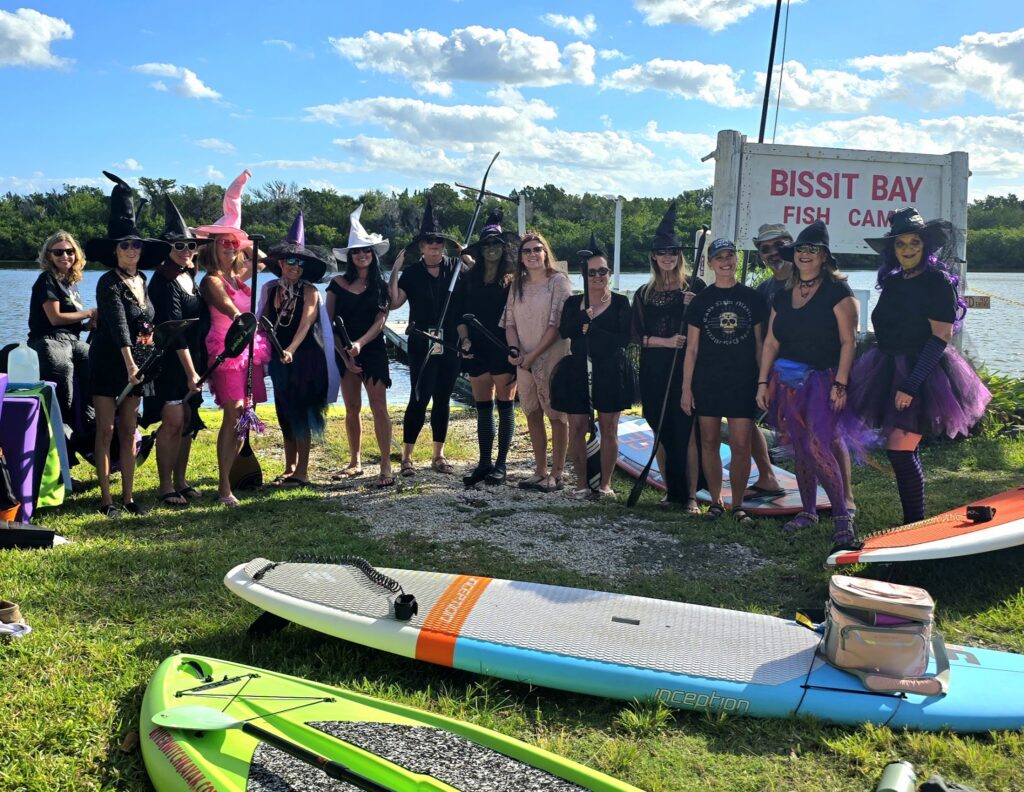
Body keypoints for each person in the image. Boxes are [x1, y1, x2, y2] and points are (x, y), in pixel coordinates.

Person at [849, 208, 991, 525]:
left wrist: (911, 384)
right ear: (893, 249)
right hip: (886, 367)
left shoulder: (936, 281)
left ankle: (914, 524)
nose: (908, 249)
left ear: (926, 245)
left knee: (900, 450)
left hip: (923, 373)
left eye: (915, 242)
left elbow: (941, 336)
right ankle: (914, 523)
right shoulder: (894, 280)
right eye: (901, 244)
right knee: (902, 449)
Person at [756, 220, 867, 546]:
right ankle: (808, 511)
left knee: (817, 446)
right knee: (799, 446)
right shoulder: (782, 294)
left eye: (812, 250)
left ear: (823, 257)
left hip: (824, 380)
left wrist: (841, 384)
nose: (805, 254)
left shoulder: (837, 291)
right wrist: (762, 382)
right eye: (801, 249)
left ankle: (843, 516)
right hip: (788, 381)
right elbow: (771, 342)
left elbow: (849, 341)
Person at [84, 172, 169, 518]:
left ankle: (129, 497)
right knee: (106, 430)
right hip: (110, 362)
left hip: (139, 363)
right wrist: (130, 363)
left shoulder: (143, 279)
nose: (132, 250)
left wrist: (145, 359)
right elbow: (119, 325)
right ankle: (106, 500)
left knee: (129, 430)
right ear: (115, 250)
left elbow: (146, 322)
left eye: (136, 245)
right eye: (125, 245)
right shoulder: (108, 282)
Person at [194, 169, 271, 508]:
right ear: (212, 248)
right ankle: (224, 486)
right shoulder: (212, 279)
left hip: (249, 350)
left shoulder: (238, 275)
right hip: (226, 350)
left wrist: (243, 241)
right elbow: (227, 306)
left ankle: (233, 475)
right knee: (233, 412)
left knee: (244, 414)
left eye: (232, 245)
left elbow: (262, 261)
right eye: (223, 244)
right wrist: (240, 316)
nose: (228, 249)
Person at [681, 239, 767, 524]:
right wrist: (686, 388)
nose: (726, 262)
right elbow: (691, 349)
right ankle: (716, 501)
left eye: (730, 256)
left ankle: (738, 504)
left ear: (736, 259)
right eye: (719, 257)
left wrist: (762, 382)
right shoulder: (700, 301)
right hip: (708, 381)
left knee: (741, 443)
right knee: (709, 441)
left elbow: (760, 345)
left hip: (743, 380)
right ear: (710, 263)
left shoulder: (753, 298)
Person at [631, 204, 705, 511]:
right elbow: (636, 336)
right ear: (653, 256)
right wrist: (666, 341)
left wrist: (696, 305)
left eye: (673, 252)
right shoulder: (644, 293)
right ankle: (670, 491)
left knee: (686, 431)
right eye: (662, 252)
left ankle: (691, 496)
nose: (668, 257)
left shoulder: (695, 287)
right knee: (659, 428)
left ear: (679, 255)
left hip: (685, 369)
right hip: (654, 369)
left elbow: (707, 326)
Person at [552, 234, 635, 499]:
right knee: (577, 427)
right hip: (578, 369)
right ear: (584, 275)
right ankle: (581, 483)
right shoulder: (573, 303)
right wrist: (582, 319)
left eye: (603, 271)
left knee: (609, 428)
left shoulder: (620, 302)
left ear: (609, 273)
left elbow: (625, 339)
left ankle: (605, 484)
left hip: (611, 369)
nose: (598, 276)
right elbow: (565, 331)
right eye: (592, 272)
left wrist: (595, 330)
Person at [389, 198, 467, 477]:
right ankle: (407, 457)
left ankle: (438, 454)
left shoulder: (456, 268)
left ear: (443, 246)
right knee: (419, 398)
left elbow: (475, 288)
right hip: (422, 341)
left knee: (443, 399)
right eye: (429, 242)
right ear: (421, 247)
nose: (434, 245)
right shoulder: (412, 273)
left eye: (439, 242)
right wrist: (395, 270)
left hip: (449, 342)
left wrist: (468, 257)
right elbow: (395, 302)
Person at [260, 211, 338, 487]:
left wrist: (291, 349)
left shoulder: (310, 292)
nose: (295, 266)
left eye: (300, 262)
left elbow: (306, 323)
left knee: (303, 412)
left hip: (307, 359)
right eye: (290, 261)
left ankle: (302, 471)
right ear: (281, 263)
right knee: (284, 410)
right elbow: (261, 321)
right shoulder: (270, 289)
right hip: (279, 358)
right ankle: (289, 466)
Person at [142, 196, 207, 506]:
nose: (186, 250)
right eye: (179, 245)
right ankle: (165, 486)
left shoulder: (188, 275)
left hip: (193, 359)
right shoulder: (164, 281)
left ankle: (181, 481)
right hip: (170, 362)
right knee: (172, 421)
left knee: (188, 422)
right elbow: (174, 331)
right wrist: (191, 372)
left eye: (190, 245)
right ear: (167, 248)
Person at [501, 231, 572, 493]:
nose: (532, 254)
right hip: (523, 359)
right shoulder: (516, 284)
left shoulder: (559, 282)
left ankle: (558, 473)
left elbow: (557, 325)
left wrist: (532, 355)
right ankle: (540, 470)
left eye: (537, 249)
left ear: (545, 253)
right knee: (532, 412)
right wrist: (515, 350)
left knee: (557, 415)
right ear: (520, 257)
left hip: (552, 356)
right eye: (527, 251)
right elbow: (509, 323)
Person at [329, 205, 394, 488]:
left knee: (379, 407)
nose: (361, 255)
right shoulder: (336, 283)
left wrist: (360, 343)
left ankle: (385, 464)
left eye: (366, 250)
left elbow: (381, 320)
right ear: (350, 256)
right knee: (352, 407)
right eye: (356, 251)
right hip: (343, 351)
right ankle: (354, 461)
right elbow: (328, 322)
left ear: (373, 254)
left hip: (373, 348)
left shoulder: (381, 286)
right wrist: (345, 356)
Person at [458, 209, 519, 486]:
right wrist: (464, 339)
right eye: (486, 245)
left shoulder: (513, 279)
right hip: (476, 347)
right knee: (483, 405)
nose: (491, 248)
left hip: (503, 346)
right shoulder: (469, 278)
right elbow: (460, 315)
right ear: (480, 250)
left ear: (503, 248)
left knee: (505, 404)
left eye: (496, 243)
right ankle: (484, 463)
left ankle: (501, 464)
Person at [27, 230, 96, 472]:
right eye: (58, 252)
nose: (65, 256)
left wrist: (88, 325)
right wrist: (89, 312)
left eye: (69, 251)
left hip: (72, 341)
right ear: (49, 255)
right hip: (49, 342)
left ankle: (90, 440)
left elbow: (71, 323)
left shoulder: (70, 284)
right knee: (63, 400)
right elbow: (55, 318)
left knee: (92, 385)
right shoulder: (47, 280)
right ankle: (60, 464)